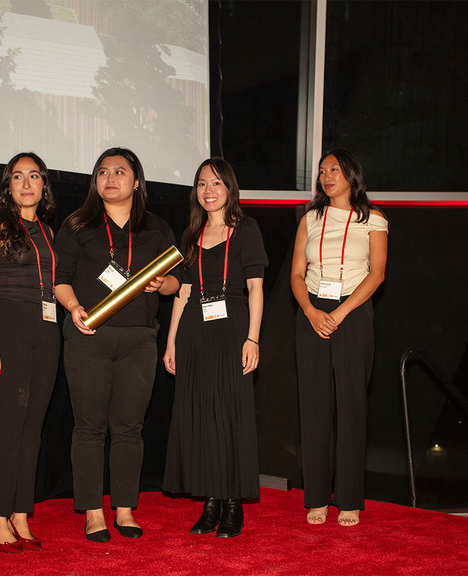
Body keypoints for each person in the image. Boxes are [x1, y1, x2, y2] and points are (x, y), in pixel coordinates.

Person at [54, 147, 180, 542]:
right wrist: (74, 307)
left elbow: (179, 283)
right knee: (89, 427)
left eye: (120, 171)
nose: (111, 178)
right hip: (88, 336)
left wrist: (164, 284)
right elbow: (61, 279)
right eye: (103, 172)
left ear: (136, 181)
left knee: (129, 427)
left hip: (139, 338)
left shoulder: (157, 228)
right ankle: (93, 512)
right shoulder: (77, 225)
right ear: (95, 181)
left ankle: (124, 509)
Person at [162, 158, 267, 538]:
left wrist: (253, 338)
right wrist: (172, 341)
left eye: (216, 183)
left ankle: (233, 503)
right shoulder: (191, 234)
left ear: (229, 189)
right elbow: (184, 292)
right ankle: (210, 502)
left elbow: (255, 288)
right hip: (194, 332)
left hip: (233, 328)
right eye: (202, 184)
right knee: (202, 417)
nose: (208, 191)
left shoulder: (247, 229)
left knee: (230, 413)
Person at [290, 148, 388, 527]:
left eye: (333, 169)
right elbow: (297, 274)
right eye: (321, 171)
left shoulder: (374, 219)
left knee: (351, 408)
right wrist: (313, 312)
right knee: (313, 408)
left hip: (353, 311)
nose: (326, 176)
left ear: (351, 174)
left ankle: (349, 500)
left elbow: (376, 274)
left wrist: (341, 313)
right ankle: (316, 497)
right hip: (312, 312)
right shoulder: (310, 219)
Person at [0, 152, 60, 553]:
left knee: (32, 424)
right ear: (8, 185)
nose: (27, 183)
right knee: (8, 423)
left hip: (47, 330)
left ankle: (21, 513)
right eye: (18, 176)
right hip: (8, 325)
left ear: (44, 185)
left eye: (34, 176)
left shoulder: (48, 232)